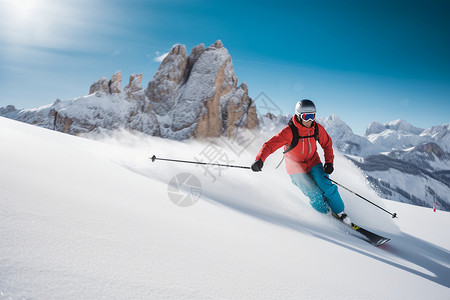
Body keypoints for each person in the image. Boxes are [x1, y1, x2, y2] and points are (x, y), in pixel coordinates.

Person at [251, 99, 351, 224]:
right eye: (306, 117)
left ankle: (340, 212)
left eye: (312, 116)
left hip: (313, 162)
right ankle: (326, 216)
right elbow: (270, 145)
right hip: (295, 168)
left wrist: (329, 162)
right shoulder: (289, 132)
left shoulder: (317, 129)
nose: (310, 121)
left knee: (326, 185)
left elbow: (327, 144)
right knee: (314, 193)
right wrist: (259, 159)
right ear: (299, 116)